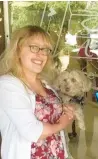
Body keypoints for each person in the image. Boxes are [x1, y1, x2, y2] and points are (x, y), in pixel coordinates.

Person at [0, 25, 75, 159]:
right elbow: (32, 131)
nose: (41, 54)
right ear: (17, 50)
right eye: (34, 47)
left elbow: (50, 115)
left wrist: (65, 111)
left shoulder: (45, 84)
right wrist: (62, 123)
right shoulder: (8, 84)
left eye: (45, 49)